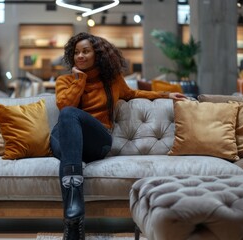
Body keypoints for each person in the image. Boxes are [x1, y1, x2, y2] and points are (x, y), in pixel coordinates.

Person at [50, 32, 186, 240]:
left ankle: (73, 216)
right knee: (68, 124)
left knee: (69, 120)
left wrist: (165, 95)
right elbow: (64, 105)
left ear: (98, 55)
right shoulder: (66, 81)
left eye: (86, 51)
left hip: (98, 142)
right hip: (68, 141)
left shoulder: (112, 80)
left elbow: (134, 94)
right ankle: (73, 222)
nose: (80, 56)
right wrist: (79, 81)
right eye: (76, 52)